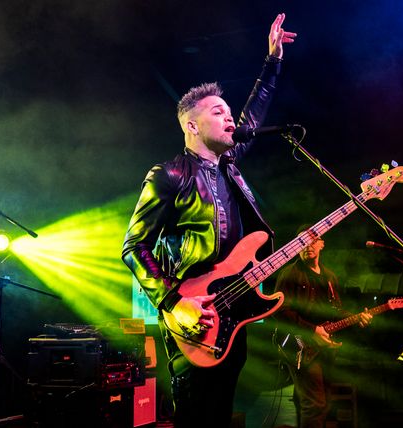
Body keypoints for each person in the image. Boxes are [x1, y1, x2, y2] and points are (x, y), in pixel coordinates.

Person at [121, 13, 296, 428]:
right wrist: (173, 301)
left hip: (233, 312)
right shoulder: (169, 174)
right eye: (219, 112)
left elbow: (252, 118)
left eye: (230, 112)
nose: (231, 118)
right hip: (193, 312)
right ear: (193, 125)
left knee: (220, 413)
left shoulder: (230, 165)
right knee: (197, 415)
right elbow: (133, 246)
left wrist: (273, 61)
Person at [274, 225, 373, 428]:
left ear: (321, 244)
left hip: (323, 347)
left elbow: (336, 311)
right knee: (315, 405)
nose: (307, 246)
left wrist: (357, 318)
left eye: (311, 241)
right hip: (299, 345)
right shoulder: (289, 274)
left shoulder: (329, 277)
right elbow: (280, 310)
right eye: (301, 242)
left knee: (323, 402)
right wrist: (312, 330)